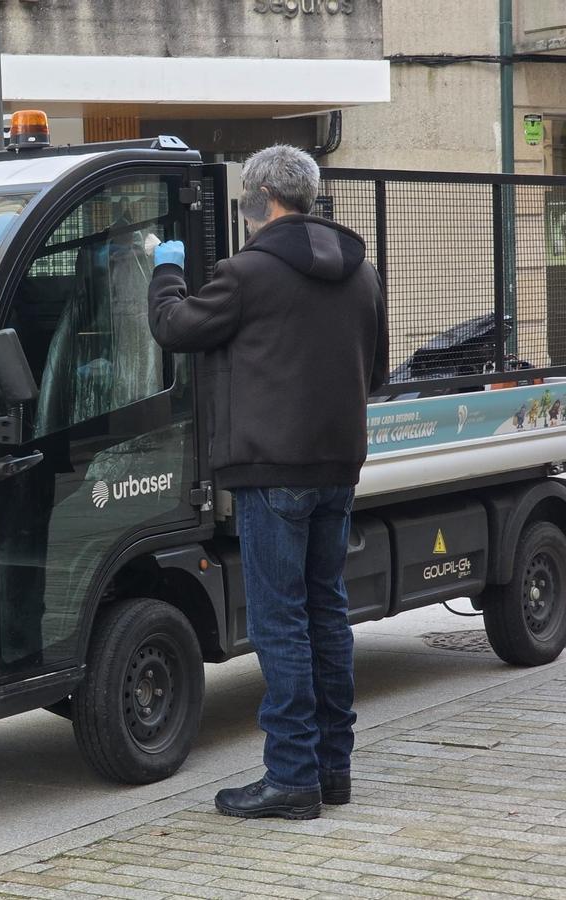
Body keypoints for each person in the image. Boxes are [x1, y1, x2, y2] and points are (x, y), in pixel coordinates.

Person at [145, 145, 388, 820]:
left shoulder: (247, 274)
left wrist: (165, 269)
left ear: (256, 202)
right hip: (337, 467)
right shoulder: (363, 274)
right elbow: (375, 376)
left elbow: (174, 327)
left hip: (270, 471)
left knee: (280, 625)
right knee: (326, 614)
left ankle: (291, 778)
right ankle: (332, 772)